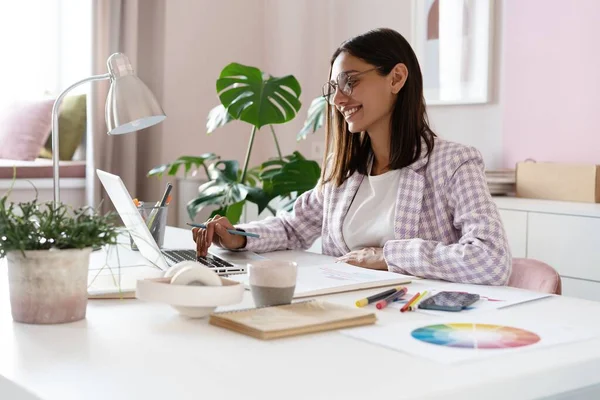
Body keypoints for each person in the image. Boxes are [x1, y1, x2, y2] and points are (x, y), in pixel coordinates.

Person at [192, 28, 511, 285]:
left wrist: (389, 257)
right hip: (346, 306)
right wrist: (238, 238)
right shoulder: (344, 173)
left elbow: (491, 259)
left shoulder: (454, 164)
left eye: (351, 82)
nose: (338, 99)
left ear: (397, 78)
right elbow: (293, 228)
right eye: (334, 87)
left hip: (414, 316)